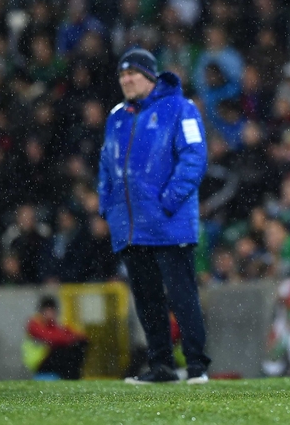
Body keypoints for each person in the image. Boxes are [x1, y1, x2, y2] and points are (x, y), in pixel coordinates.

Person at [98, 48, 211, 385]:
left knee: (182, 296)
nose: (125, 80)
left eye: (132, 73)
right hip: (131, 227)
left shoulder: (181, 108)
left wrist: (169, 201)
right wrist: (108, 204)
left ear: (149, 76)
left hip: (168, 223)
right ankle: (161, 365)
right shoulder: (117, 116)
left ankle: (196, 366)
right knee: (147, 300)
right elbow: (106, 165)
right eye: (121, 74)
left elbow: (194, 157)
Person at [23, 295, 88, 380]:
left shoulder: (54, 325)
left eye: (52, 311)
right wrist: (69, 339)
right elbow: (51, 338)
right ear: (41, 312)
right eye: (47, 311)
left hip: (50, 358)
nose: (50, 314)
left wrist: (72, 339)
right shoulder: (34, 323)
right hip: (40, 360)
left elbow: (81, 336)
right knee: (63, 351)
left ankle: (73, 377)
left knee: (79, 345)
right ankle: (71, 377)